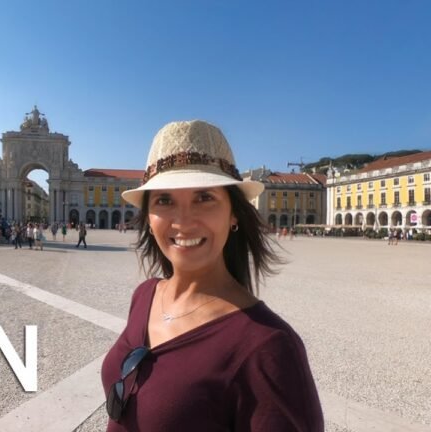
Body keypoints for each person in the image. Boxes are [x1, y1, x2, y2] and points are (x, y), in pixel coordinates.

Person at [102, 120, 323, 431]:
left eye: (204, 197)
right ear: (149, 217)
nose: (183, 221)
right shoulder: (145, 295)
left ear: (233, 213)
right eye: (164, 200)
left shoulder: (269, 349)